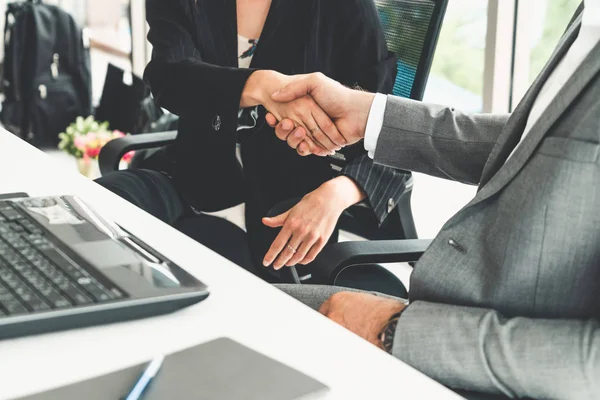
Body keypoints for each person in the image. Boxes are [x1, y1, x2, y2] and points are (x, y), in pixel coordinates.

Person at [268, 2, 600, 398]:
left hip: (495, 366)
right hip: (443, 311)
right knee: (233, 314)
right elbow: (528, 144)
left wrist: (393, 330)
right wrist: (372, 115)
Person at [96, 0, 411, 293]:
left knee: (162, 286)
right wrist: (262, 85)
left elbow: (395, 129)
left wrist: (338, 192)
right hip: (188, 180)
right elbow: (168, 76)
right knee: (88, 214)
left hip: (285, 219)